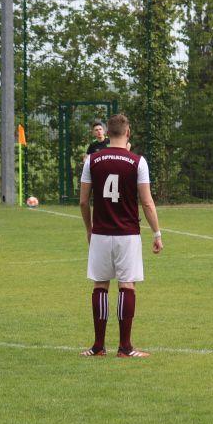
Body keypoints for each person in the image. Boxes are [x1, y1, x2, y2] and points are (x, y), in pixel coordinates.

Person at [79, 113, 163, 359]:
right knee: (127, 285)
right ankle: (125, 347)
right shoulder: (138, 162)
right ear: (128, 133)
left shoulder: (92, 160)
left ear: (107, 133)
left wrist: (89, 229)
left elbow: (83, 201)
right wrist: (157, 233)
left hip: (101, 233)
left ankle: (98, 346)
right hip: (127, 234)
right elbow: (146, 202)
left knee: (100, 284)